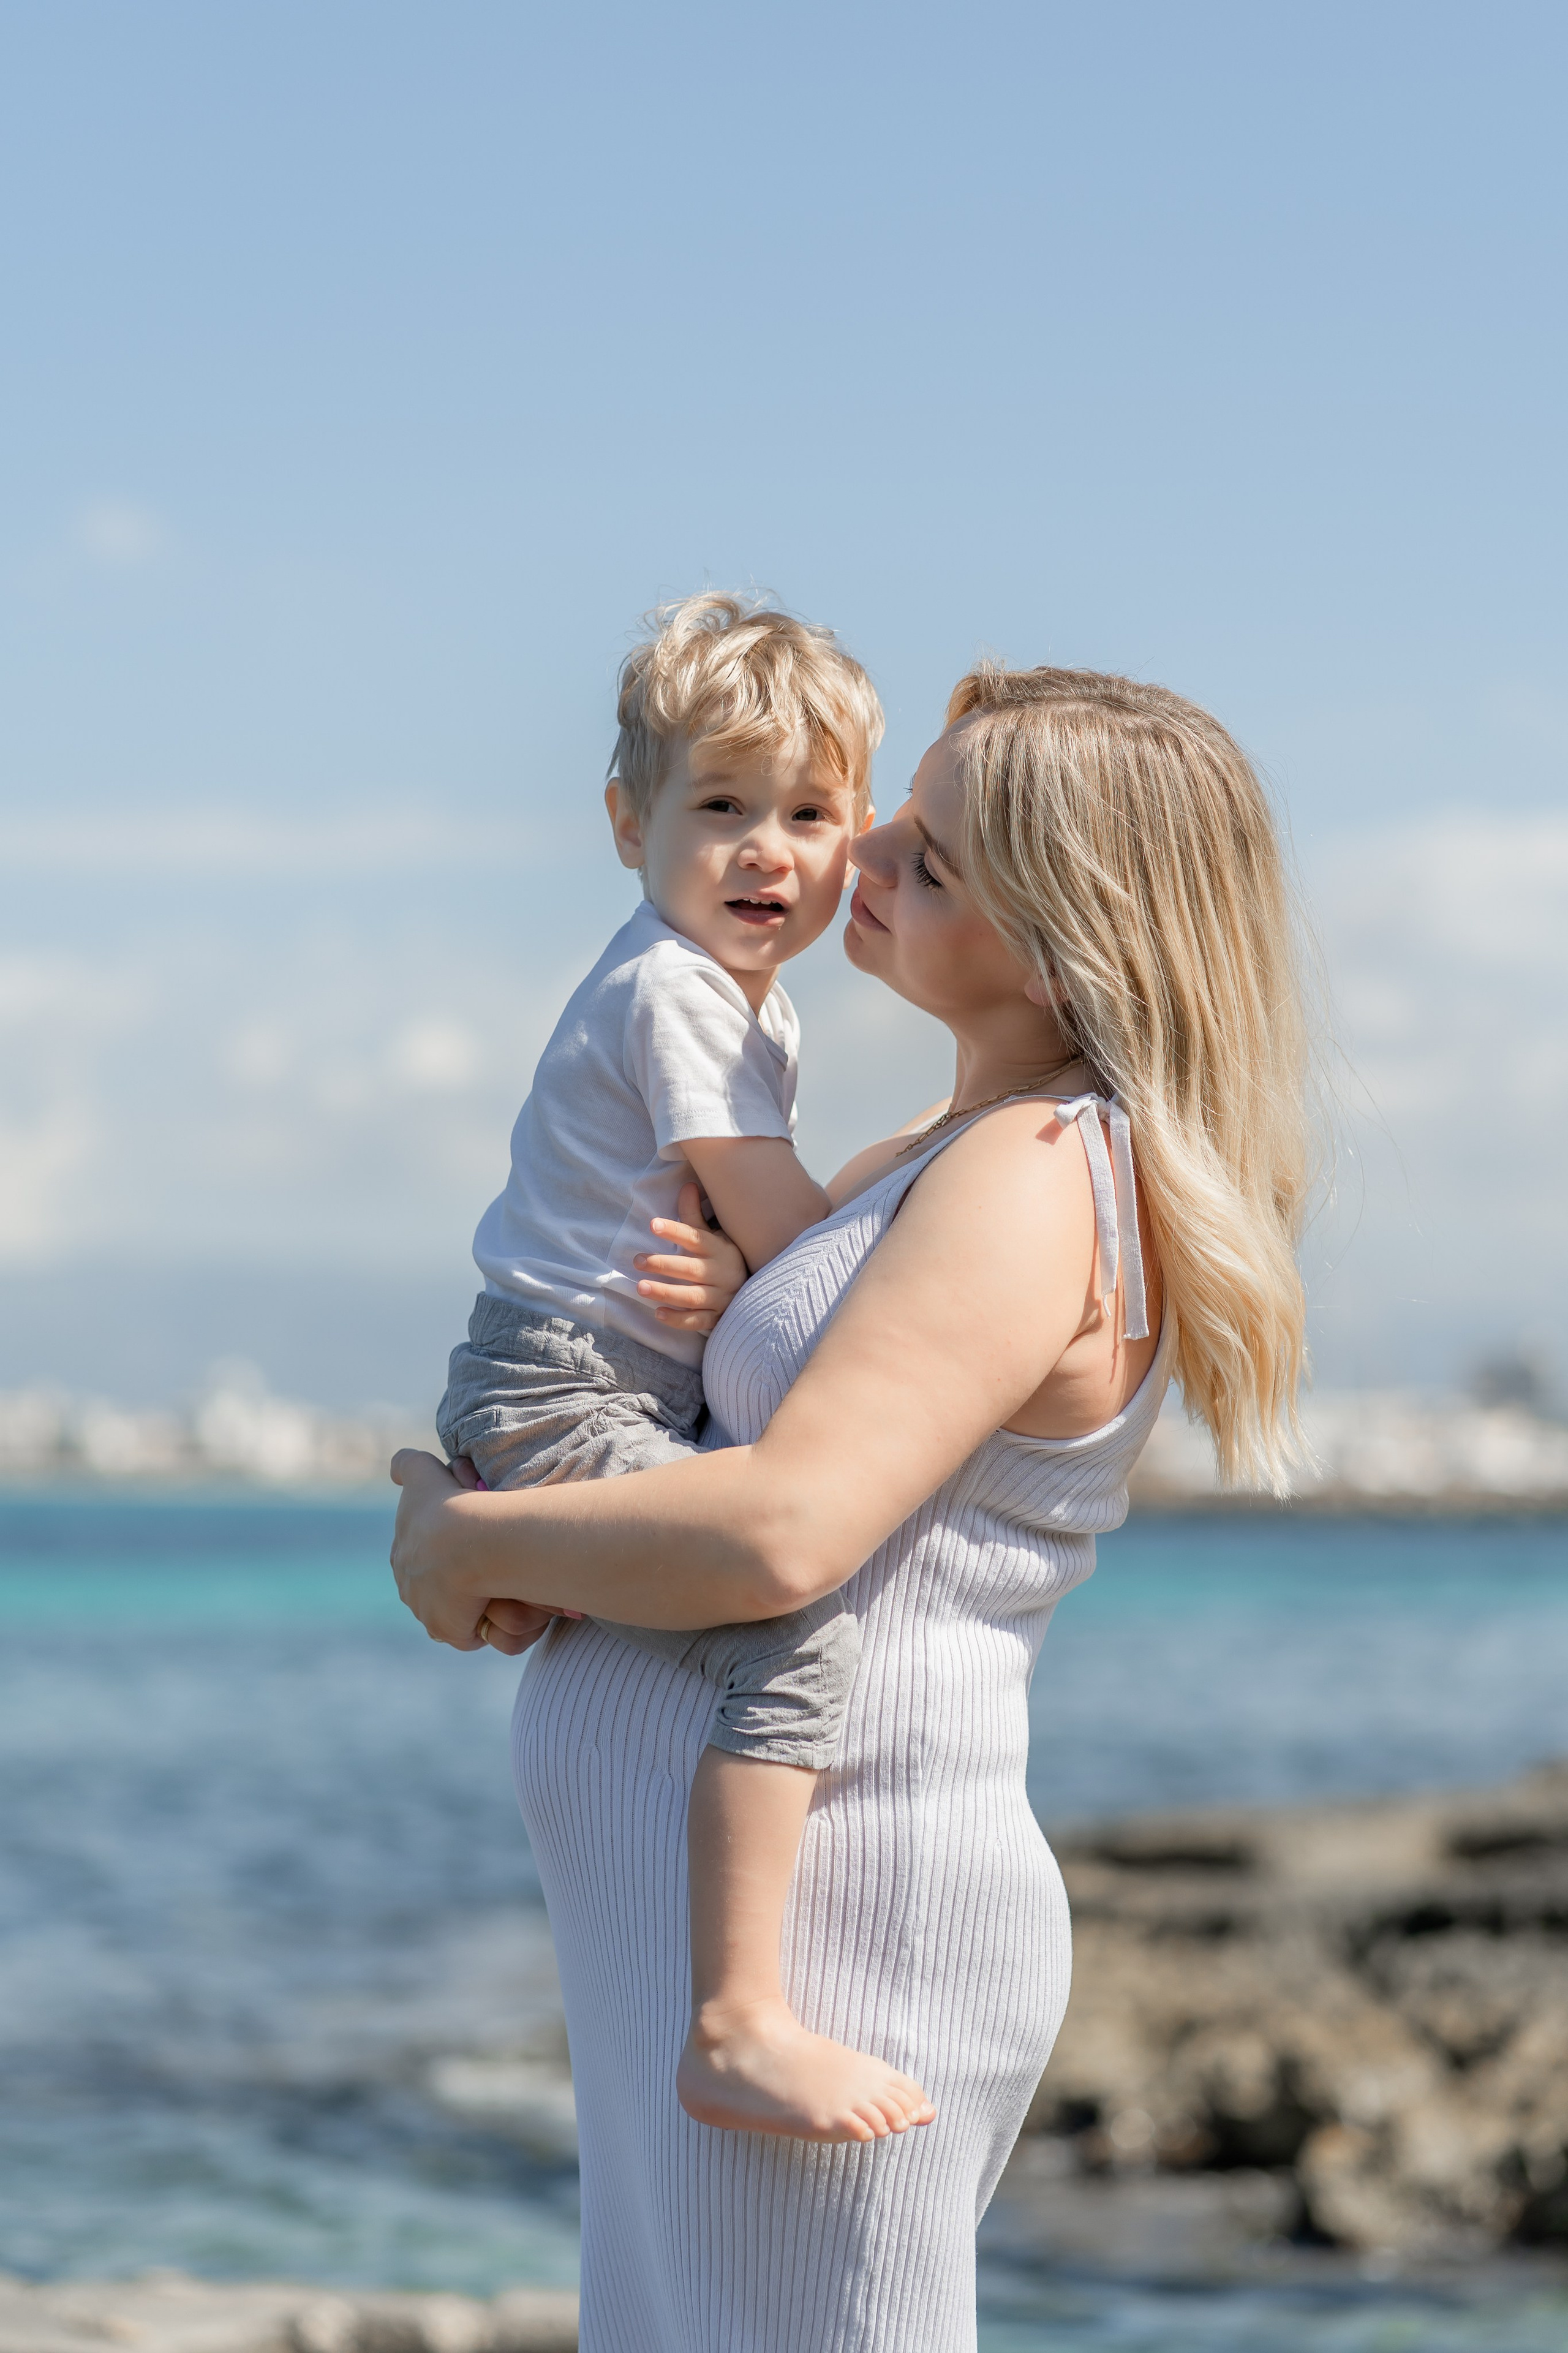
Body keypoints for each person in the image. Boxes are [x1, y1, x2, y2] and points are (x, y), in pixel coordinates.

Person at [393, 660, 1314, 2353]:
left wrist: (467, 1543)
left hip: (847, 1921)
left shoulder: (1036, 1176)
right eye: (901, 812)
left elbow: (784, 1536)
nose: (863, 853)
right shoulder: (938, 1149)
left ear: (1067, 938)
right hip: (739, 1928)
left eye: (936, 855)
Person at [437, 591, 935, 2144]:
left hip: (584, 1383)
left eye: (806, 812)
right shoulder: (677, 995)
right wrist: (921, 1173)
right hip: (567, 1389)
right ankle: (733, 2017)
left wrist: (738, 1267)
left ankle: (533, 1579)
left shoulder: (737, 1005)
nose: (763, 851)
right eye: (717, 808)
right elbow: (794, 1233)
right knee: (789, 1620)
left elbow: (753, 1241)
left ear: (857, 832)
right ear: (623, 822)